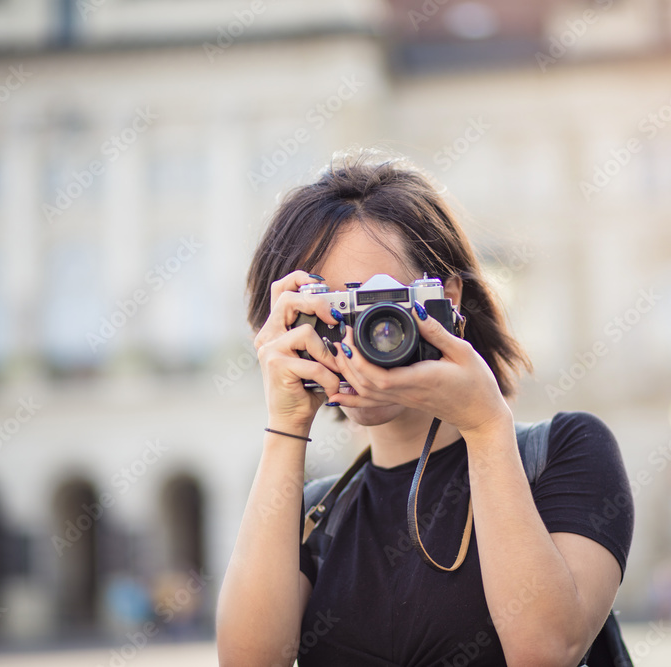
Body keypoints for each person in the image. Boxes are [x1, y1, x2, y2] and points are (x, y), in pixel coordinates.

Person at [217, 150, 634, 666]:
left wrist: (484, 427)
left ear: (445, 298)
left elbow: (544, 651)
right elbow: (249, 663)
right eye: (325, 309)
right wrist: (285, 422)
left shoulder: (565, 453)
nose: (355, 335)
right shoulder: (312, 517)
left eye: (375, 304)